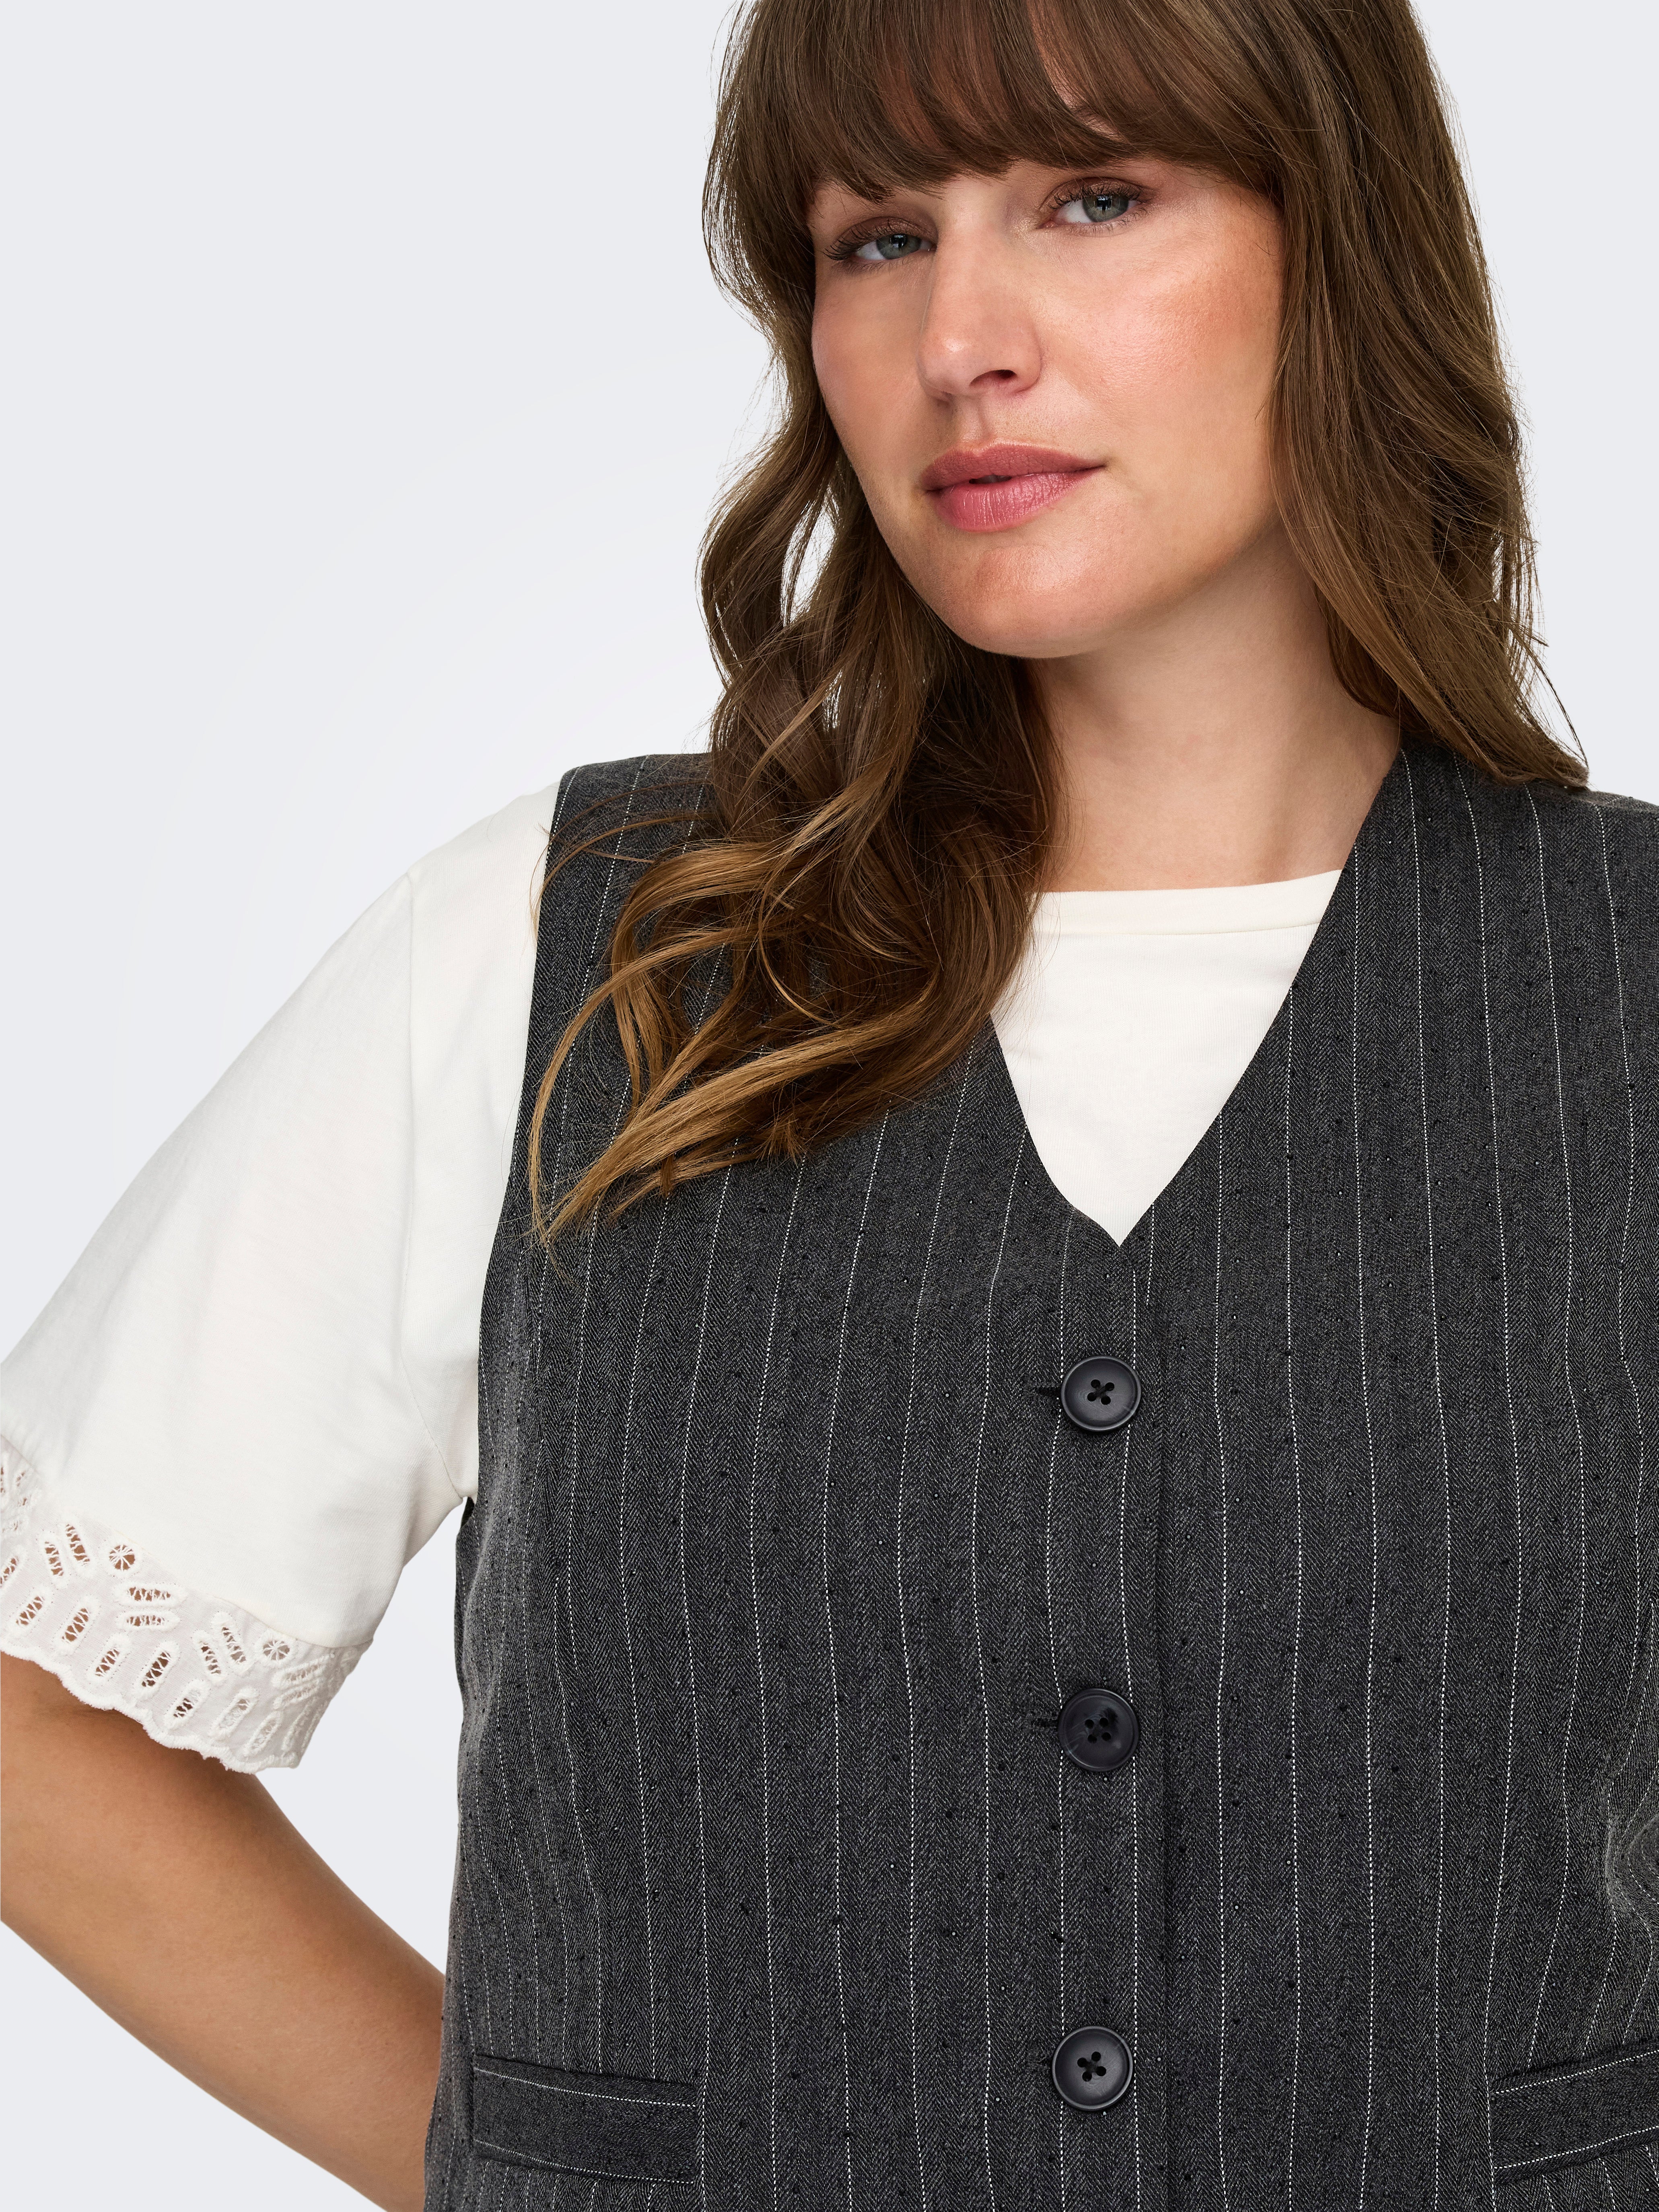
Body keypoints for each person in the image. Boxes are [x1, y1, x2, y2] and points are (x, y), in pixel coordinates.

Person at [4, 0, 1655, 2204]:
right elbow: (40, 1723)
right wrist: (520, 2172)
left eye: (1093, 197)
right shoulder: (574, 949)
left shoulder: (1628, 983)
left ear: (1344, 246)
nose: (961, 340)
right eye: (876, 239)